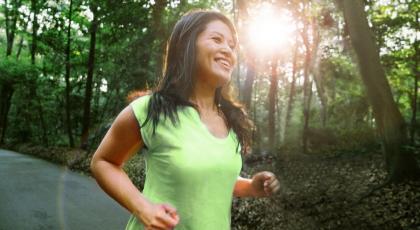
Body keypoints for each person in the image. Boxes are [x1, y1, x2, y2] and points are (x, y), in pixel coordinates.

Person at [90, 9, 280, 230]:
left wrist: (251, 187)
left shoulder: (232, 121)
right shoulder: (151, 109)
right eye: (217, 39)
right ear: (187, 45)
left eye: (232, 45)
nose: (228, 50)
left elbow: (209, 178)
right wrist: (142, 207)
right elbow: (103, 162)